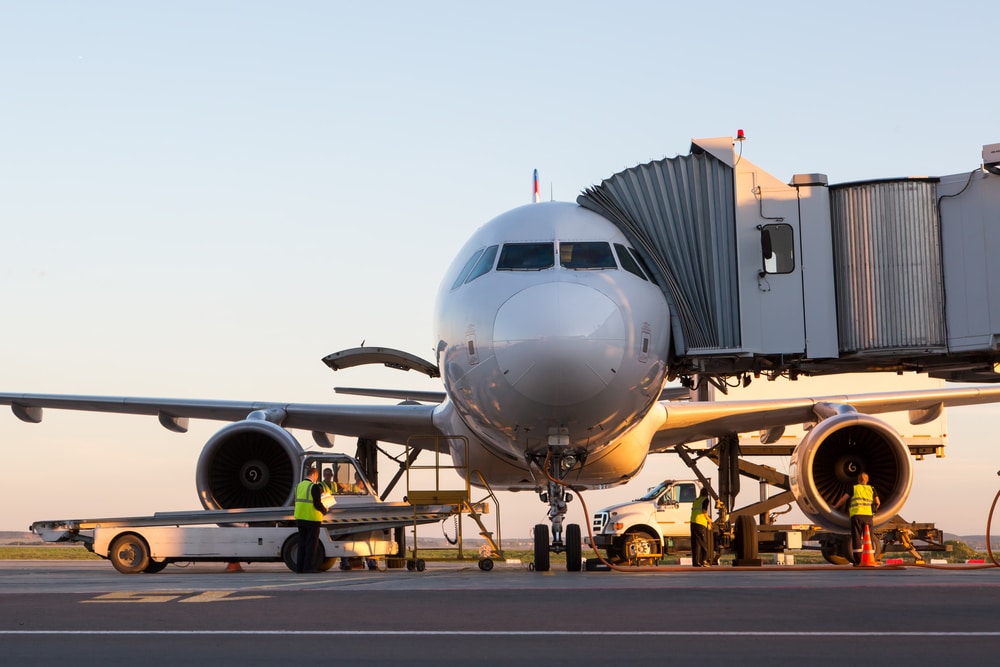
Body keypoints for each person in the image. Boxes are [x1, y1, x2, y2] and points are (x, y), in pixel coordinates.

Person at [835, 471, 881, 565]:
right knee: (869, 538)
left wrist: (835, 507)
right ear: (867, 480)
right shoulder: (872, 489)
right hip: (868, 517)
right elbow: (878, 502)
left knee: (856, 538)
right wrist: (874, 511)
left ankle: (858, 560)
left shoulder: (854, 488)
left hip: (857, 516)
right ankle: (870, 558)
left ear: (858, 480)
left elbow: (844, 499)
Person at [293, 466, 327, 573]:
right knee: (311, 545)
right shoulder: (314, 487)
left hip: (300, 518)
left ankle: (299, 567)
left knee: (302, 543)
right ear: (314, 475)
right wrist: (324, 510)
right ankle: (308, 567)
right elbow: (317, 504)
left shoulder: (298, 486)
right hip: (312, 519)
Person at [690, 487, 712, 567]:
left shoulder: (696, 500)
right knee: (703, 542)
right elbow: (704, 511)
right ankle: (705, 560)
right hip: (700, 523)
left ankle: (696, 562)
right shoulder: (705, 500)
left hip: (693, 523)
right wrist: (709, 520)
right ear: (707, 494)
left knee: (696, 544)